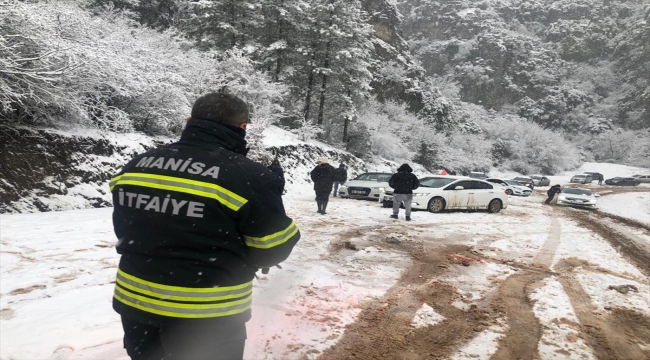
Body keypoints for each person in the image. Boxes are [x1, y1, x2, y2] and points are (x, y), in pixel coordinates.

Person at [109, 93, 301, 360]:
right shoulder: (248, 176)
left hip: (136, 302)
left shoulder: (136, 165)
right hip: (207, 314)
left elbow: (129, 226)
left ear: (189, 121)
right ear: (243, 128)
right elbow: (272, 248)